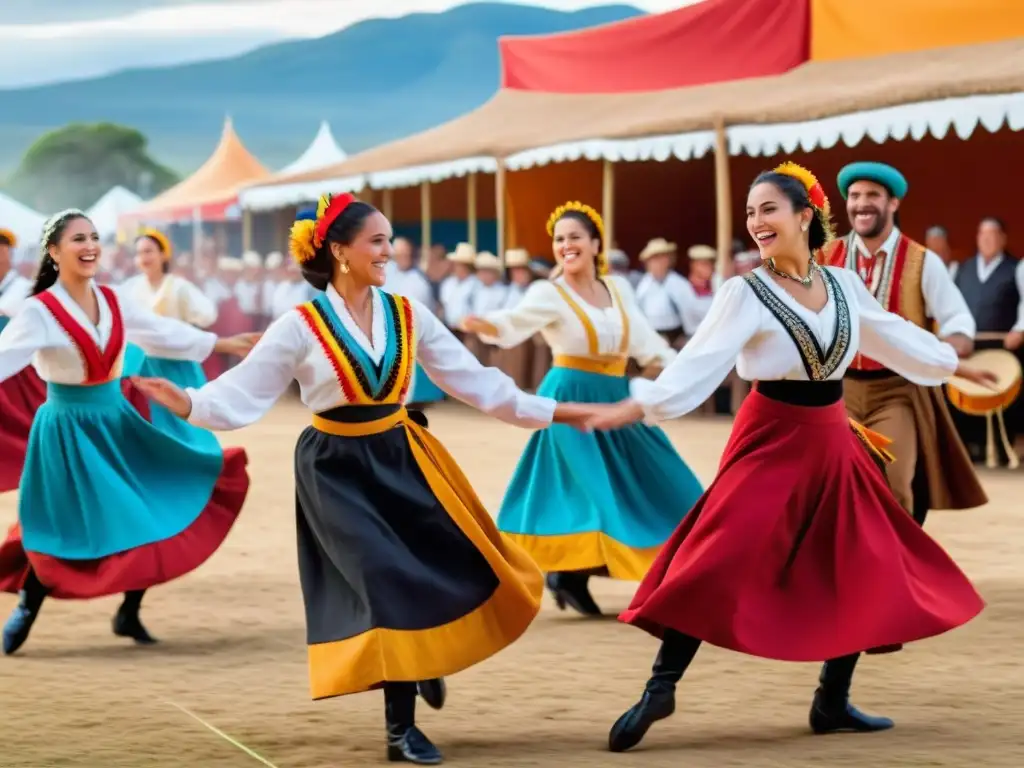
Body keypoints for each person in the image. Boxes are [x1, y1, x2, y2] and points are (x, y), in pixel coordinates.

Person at [131, 194, 590, 765]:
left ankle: (419, 664)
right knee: (381, 578)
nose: (388, 251)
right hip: (335, 469)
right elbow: (245, 389)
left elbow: (475, 382)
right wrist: (189, 402)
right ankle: (401, 730)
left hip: (404, 456)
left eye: (388, 239)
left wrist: (559, 412)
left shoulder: (408, 313)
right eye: (376, 241)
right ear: (340, 251)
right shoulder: (299, 325)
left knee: (439, 566)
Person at [577, 163, 989, 752]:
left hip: (830, 434)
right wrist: (640, 404)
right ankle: (660, 688)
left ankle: (832, 699)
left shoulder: (844, 285)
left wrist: (956, 364)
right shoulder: (744, 291)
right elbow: (700, 360)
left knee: (862, 557)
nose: (756, 221)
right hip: (770, 434)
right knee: (721, 551)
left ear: (805, 216)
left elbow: (893, 333)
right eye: (750, 212)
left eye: (767, 208)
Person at [0, 210, 256, 656]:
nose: (89, 246)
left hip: (116, 420)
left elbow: (159, 332)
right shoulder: (39, 310)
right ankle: (28, 603)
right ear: (55, 252)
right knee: (61, 521)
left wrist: (221, 343)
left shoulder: (114, 299)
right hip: (65, 430)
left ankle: (129, 608)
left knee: (145, 510)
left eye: (94, 237)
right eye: (78, 238)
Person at [461, 202, 704, 617]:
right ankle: (570, 575)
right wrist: (483, 324)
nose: (566, 245)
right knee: (593, 492)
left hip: (619, 395)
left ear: (595, 244)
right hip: (569, 396)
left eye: (575, 237)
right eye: (559, 239)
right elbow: (514, 321)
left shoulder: (620, 289)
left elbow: (644, 339)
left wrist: (664, 364)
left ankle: (581, 576)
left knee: (663, 479)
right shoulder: (548, 292)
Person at [818, 162, 985, 524]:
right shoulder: (823, 258)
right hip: (836, 389)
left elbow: (957, 321)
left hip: (897, 390)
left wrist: (950, 347)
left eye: (873, 196)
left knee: (896, 484)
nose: (862, 204)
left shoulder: (922, 261)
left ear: (893, 204)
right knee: (830, 483)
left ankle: (897, 572)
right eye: (856, 196)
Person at [120, 228, 220, 446]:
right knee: (151, 426)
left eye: (149, 251)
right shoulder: (130, 288)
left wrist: (182, 330)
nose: (144, 258)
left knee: (187, 425)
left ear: (163, 254)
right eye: (139, 253)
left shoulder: (179, 286)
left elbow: (206, 314)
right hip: (143, 366)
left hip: (178, 365)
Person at [953, 216, 1024, 462]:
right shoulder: (963, 268)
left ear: (1003, 239)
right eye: (983, 234)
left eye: (993, 234)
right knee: (968, 393)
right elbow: (953, 306)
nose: (987, 239)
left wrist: (1020, 328)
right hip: (971, 346)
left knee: (1005, 397)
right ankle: (973, 447)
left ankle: (1006, 449)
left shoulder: (1017, 268)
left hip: (1005, 345)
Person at [0, 226, 47, 492]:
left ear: (7, 252)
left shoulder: (22, 288)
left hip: (19, 372)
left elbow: (8, 309)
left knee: (23, 428)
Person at [384, 236, 446, 409]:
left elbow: (424, 308)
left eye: (405, 254)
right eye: (398, 255)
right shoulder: (388, 273)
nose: (401, 258)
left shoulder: (418, 279)